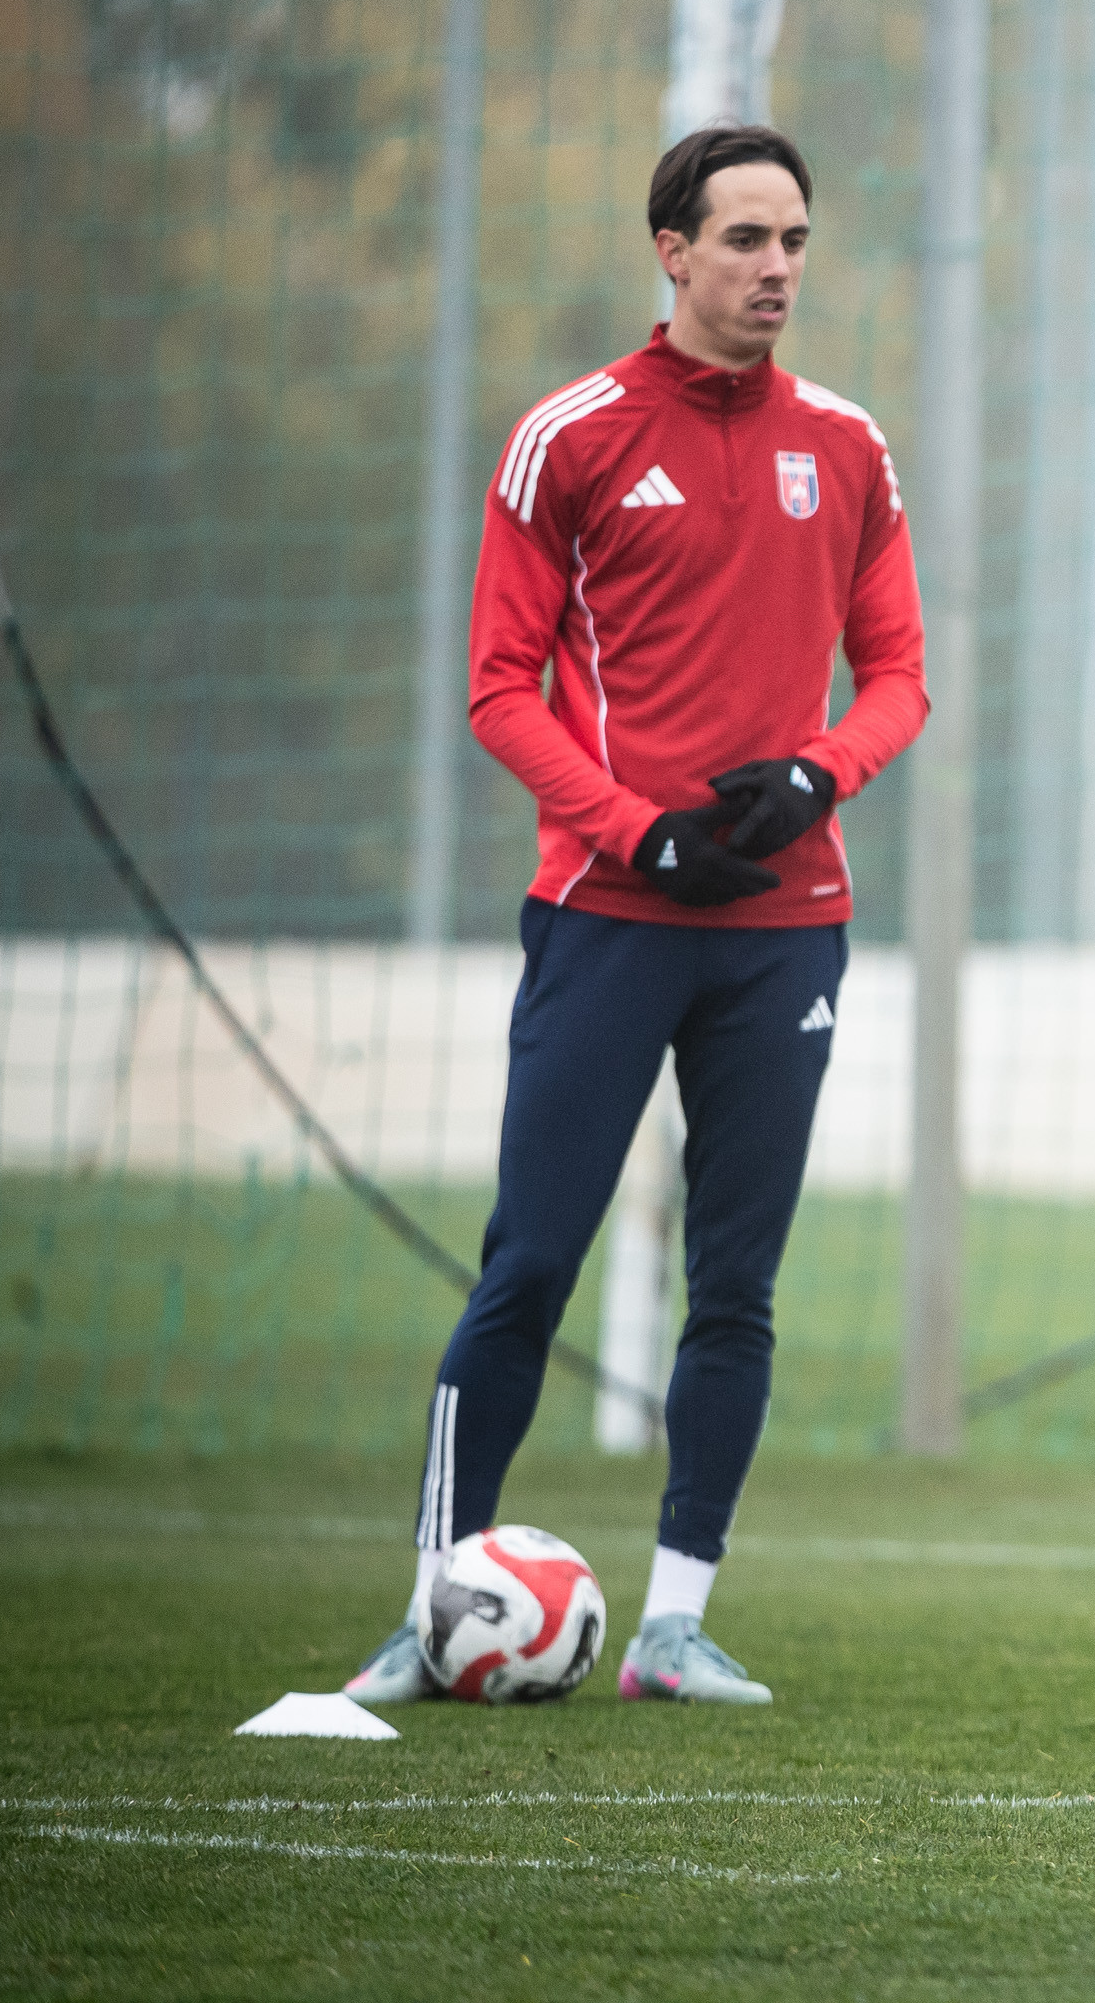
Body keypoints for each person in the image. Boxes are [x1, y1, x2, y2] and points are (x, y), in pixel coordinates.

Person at [344, 124, 926, 1709]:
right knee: (529, 1264)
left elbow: (899, 677)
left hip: (789, 931)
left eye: (795, 240)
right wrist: (637, 834)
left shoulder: (848, 444)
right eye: (745, 239)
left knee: (735, 1288)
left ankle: (673, 1627)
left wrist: (818, 775)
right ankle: (430, 1609)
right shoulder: (571, 437)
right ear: (672, 250)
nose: (777, 268)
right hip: (607, 917)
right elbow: (497, 688)